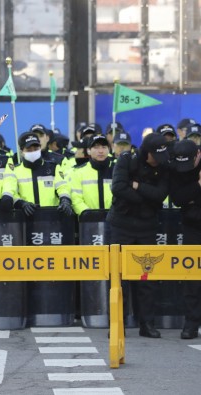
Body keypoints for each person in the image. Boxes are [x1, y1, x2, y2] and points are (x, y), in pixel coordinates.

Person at [108, 133, 170, 338]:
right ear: (147, 153)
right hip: (121, 225)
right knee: (118, 279)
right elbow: (117, 187)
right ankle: (118, 324)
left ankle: (147, 324)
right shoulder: (127, 160)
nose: (158, 162)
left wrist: (137, 186)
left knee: (147, 278)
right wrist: (144, 197)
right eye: (155, 157)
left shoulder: (163, 166)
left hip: (147, 227)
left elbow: (160, 194)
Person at [169, 139, 201, 339]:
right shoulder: (176, 168)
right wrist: (197, 184)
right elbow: (179, 198)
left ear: (198, 154)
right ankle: (191, 321)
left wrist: (192, 198)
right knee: (192, 277)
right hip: (192, 226)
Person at [69, 135, 115, 216]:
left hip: (114, 221)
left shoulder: (117, 170)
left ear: (109, 149)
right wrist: (89, 215)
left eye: (104, 147)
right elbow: (76, 200)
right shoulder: (79, 172)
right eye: (96, 147)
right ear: (89, 150)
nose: (101, 151)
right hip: (88, 223)